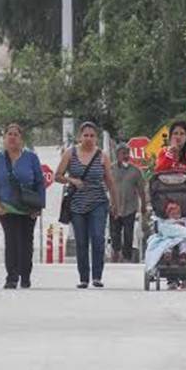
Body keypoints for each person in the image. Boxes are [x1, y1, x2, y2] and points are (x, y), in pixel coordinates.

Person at [55, 121, 118, 288]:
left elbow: (110, 181)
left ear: (96, 138)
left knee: (98, 238)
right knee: (81, 241)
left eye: (92, 135)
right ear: (79, 137)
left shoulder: (102, 155)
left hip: (98, 202)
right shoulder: (70, 153)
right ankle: (84, 277)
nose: (89, 138)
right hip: (77, 204)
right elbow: (58, 176)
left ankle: (97, 276)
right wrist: (71, 180)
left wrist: (115, 203)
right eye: (86, 135)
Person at [0, 123, 45, 289]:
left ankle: (25, 275)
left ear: (21, 139)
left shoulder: (31, 158)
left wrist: (39, 206)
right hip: (6, 207)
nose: (12, 137)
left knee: (26, 241)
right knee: (11, 241)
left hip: (28, 207)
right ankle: (11, 276)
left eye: (16, 134)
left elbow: (40, 182)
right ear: (4, 138)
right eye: (9, 134)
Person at [110, 144, 147, 263]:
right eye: (123, 153)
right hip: (114, 206)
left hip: (130, 207)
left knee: (128, 233)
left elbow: (141, 189)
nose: (126, 156)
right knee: (114, 232)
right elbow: (105, 186)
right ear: (117, 155)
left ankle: (126, 256)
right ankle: (116, 252)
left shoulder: (135, 171)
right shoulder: (111, 169)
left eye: (127, 153)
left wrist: (144, 205)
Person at [154, 120, 186, 185]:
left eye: (182, 134)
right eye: (175, 133)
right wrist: (170, 154)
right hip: (166, 190)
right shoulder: (164, 152)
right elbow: (158, 172)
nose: (178, 137)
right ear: (170, 136)